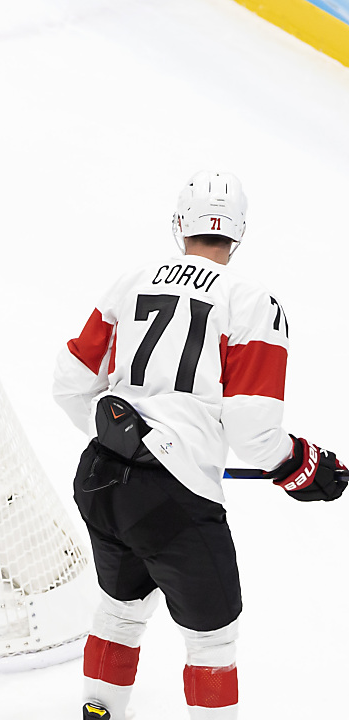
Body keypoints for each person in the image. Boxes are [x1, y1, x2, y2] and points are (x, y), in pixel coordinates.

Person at [52, 170, 347, 720]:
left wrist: (124, 437)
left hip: (100, 479)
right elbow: (253, 431)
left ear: (179, 224)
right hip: (175, 498)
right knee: (213, 639)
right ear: (239, 231)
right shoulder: (252, 301)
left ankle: (99, 712)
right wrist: (303, 464)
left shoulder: (132, 281)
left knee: (120, 610)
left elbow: (71, 385)